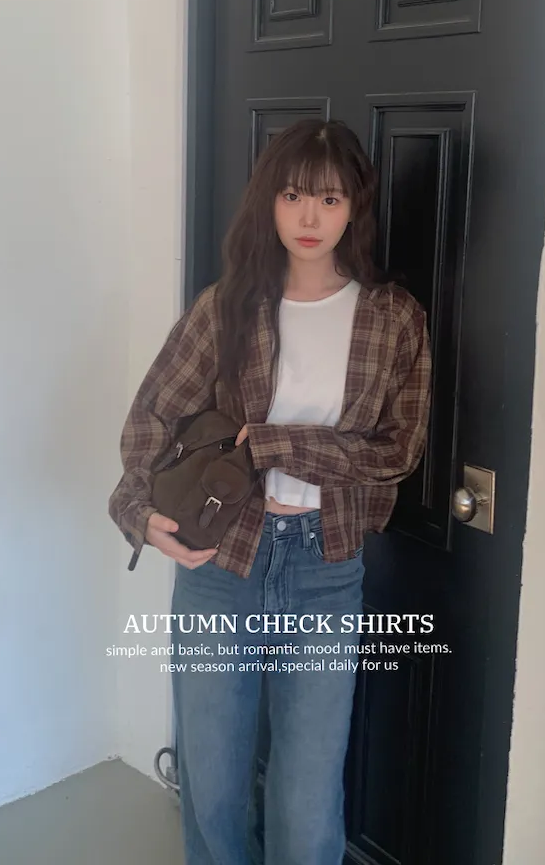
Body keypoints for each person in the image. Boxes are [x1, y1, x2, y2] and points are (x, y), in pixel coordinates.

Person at [109, 118, 432, 865]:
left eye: (329, 198)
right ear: (269, 202)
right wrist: (137, 511)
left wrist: (279, 443)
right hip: (222, 563)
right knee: (213, 779)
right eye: (292, 196)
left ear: (354, 207)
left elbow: (398, 452)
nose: (309, 216)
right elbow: (153, 414)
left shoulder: (392, 319)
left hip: (325, 566)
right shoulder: (228, 306)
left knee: (308, 794)